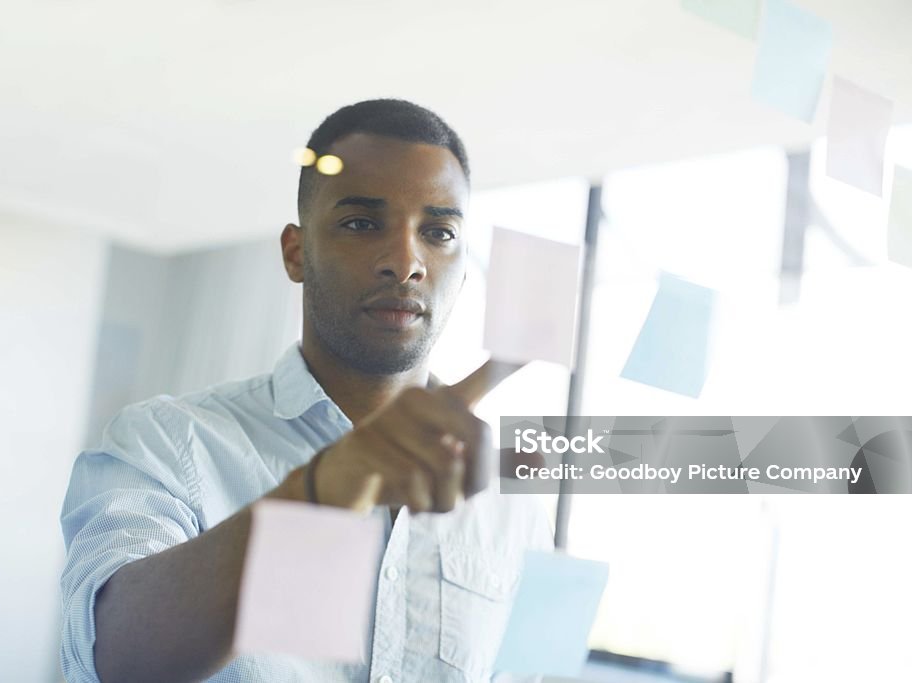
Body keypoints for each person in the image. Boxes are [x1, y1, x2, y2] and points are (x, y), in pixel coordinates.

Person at [60, 98, 553, 683]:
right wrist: (326, 487)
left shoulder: (508, 494)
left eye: (439, 232)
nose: (405, 261)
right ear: (297, 252)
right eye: (362, 224)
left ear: (462, 270)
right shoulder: (167, 443)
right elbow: (116, 662)